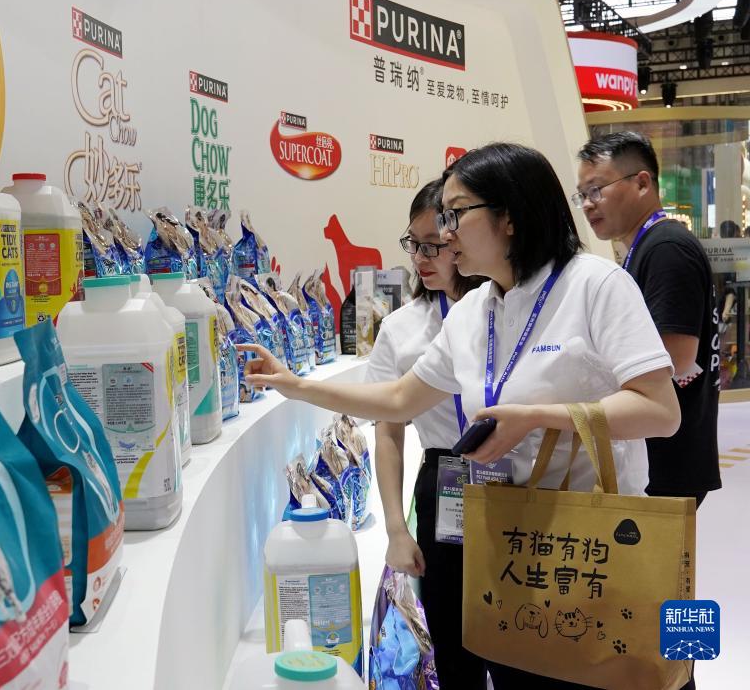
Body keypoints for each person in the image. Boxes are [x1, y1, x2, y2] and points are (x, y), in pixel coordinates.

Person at [240, 142, 680, 690]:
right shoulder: (475, 311)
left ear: (509, 217)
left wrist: (539, 417)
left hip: (593, 546)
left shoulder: (595, 285)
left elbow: (660, 410)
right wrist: (296, 385)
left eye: (455, 215)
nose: (445, 235)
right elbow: (399, 400)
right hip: (512, 547)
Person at [367, 177, 485, 688]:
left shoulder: (504, 310)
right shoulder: (400, 328)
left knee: (527, 634)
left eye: (434, 244)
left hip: (515, 476)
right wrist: (396, 529)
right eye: (413, 244)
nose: (421, 257)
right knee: (453, 645)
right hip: (444, 480)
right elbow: (389, 432)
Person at [575, 132, 721, 510]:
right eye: (582, 195)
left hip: (667, 459)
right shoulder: (649, 247)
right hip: (662, 452)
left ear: (642, 183)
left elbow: (677, 358)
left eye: (596, 190)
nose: (588, 204)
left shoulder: (665, 248)